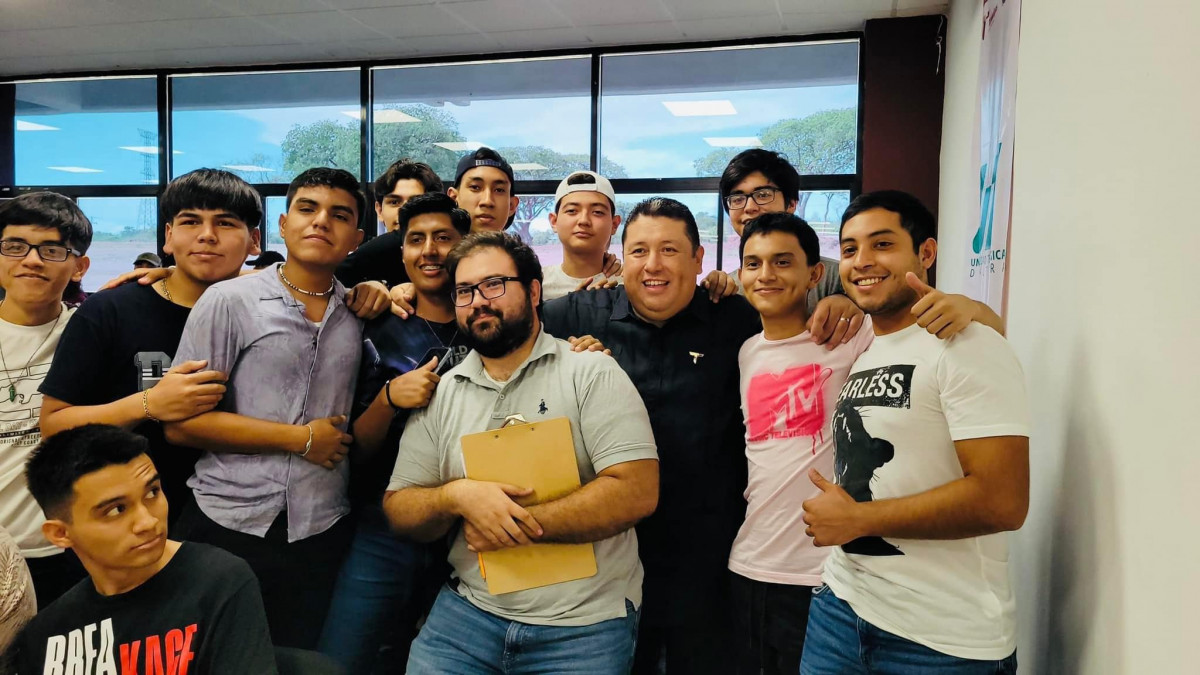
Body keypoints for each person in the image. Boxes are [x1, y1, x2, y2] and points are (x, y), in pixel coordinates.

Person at [731, 210, 1001, 675]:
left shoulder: (852, 335)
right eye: (753, 264)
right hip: (752, 561)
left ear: (815, 274)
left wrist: (970, 307)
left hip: (826, 571)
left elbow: (970, 331)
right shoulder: (746, 351)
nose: (766, 274)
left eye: (782, 261)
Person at [384, 232, 658, 674]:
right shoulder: (443, 391)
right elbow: (399, 508)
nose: (478, 301)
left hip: (583, 623)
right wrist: (454, 496)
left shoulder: (590, 371)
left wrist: (511, 525)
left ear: (533, 291)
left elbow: (637, 491)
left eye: (494, 285)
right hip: (468, 614)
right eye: (465, 291)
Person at [799, 191, 1029, 674]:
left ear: (925, 252)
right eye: (849, 249)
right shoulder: (866, 346)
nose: (862, 261)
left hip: (940, 639)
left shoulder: (966, 343)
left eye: (882, 244)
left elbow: (1003, 500)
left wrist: (859, 519)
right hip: (840, 608)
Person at [541, 197, 759, 674]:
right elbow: (498, 325)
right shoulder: (575, 317)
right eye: (639, 251)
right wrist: (399, 294)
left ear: (699, 259)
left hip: (708, 552)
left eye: (670, 250)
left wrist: (840, 305)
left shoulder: (737, 320)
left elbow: (805, 325)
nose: (653, 265)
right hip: (605, 550)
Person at [162, 167, 368, 650]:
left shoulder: (358, 311)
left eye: (339, 215)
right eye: (307, 209)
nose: (321, 221)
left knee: (295, 657)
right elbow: (181, 424)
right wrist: (301, 439)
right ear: (282, 224)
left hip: (321, 525)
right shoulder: (229, 301)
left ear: (356, 238)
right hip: (228, 519)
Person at [40, 169, 263, 534]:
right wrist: (148, 403)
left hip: (244, 520)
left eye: (225, 223)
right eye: (191, 221)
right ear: (169, 236)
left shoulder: (271, 315)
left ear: (254, 241)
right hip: (134, 523)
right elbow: (54, 424)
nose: (207, 235)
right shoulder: (110, 310)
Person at [318, 192, 472, 672]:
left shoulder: (491, 325)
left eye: (443, 238)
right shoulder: (373, 326)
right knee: (343, 658)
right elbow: (355, 451)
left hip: (468, 528)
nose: (430, 250)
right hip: (381, 525)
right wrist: (389, 399)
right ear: (401, 251)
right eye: (416, 239)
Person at [15, 424, 277, 675]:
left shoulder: (219, 582)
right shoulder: (45, 635)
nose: (148, 522)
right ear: (61, 534)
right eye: (116, 510)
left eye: (152, 493)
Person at [707, 149, 1002, 345]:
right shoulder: (728, 288)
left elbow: (923, 320)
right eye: (737, 198)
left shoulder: (845, 276)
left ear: (792, 203)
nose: (749, 207)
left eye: (762, 194)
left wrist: (971, 308)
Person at [0, 192, 92, 609]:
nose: (32, 260)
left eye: (52, 250)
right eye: (15, 246)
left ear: (79, 267)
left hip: (68, 550)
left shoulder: (93, 332)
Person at [335, 159, 443, 288]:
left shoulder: (449, 260)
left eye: (415, 202)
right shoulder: (357, 269)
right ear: (379, 210)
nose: (403, 211)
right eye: (394, 202)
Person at [541, 171, 622, 301]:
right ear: (554, 221)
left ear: (614, 224)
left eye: (597, 212)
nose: (584, 220)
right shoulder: (535, 284)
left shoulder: (627, 285)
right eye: (572, 211)